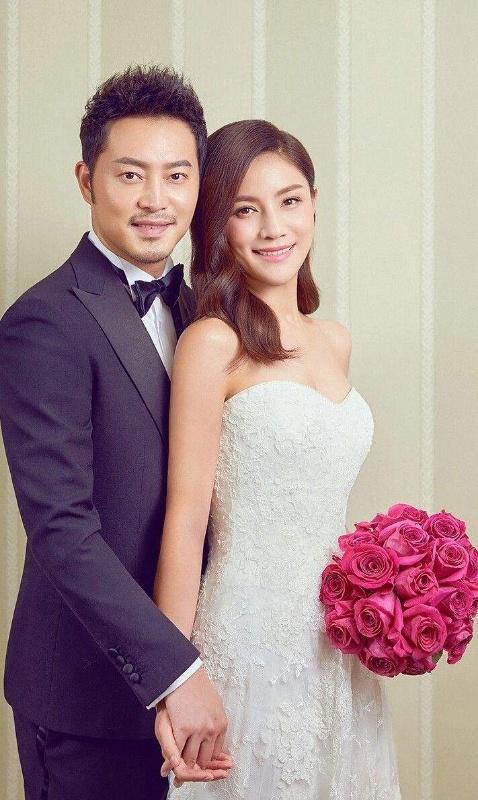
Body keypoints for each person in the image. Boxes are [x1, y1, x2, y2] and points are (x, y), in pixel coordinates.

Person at [0, 65, 233, 800]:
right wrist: (175, 670)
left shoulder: (205, 314)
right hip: (87, 699)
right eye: (131, 174)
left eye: (177, 175)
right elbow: (62, 529)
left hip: (211, 683)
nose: (156, 200)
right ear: (86, 179)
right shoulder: (43, 322)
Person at [155, 119, 402, 799]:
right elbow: (186, 521)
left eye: (289, 201)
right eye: (245, 209)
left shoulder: (335, 341)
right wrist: (173, 678)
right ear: (219, 227)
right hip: (248, 639)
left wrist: (396, 589)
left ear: (314, 204)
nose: (273, 228)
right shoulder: (212, 342)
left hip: (340, 644)